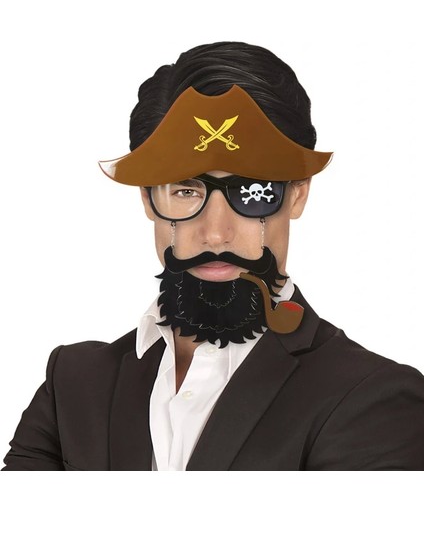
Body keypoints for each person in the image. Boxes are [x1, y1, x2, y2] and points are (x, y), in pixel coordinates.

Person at [3, 41, 424, 471]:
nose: (216, 234)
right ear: (148, 199)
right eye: (186, 191)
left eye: (251, 191)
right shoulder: (72, 387)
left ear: (298, 194)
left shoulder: (372, 398)